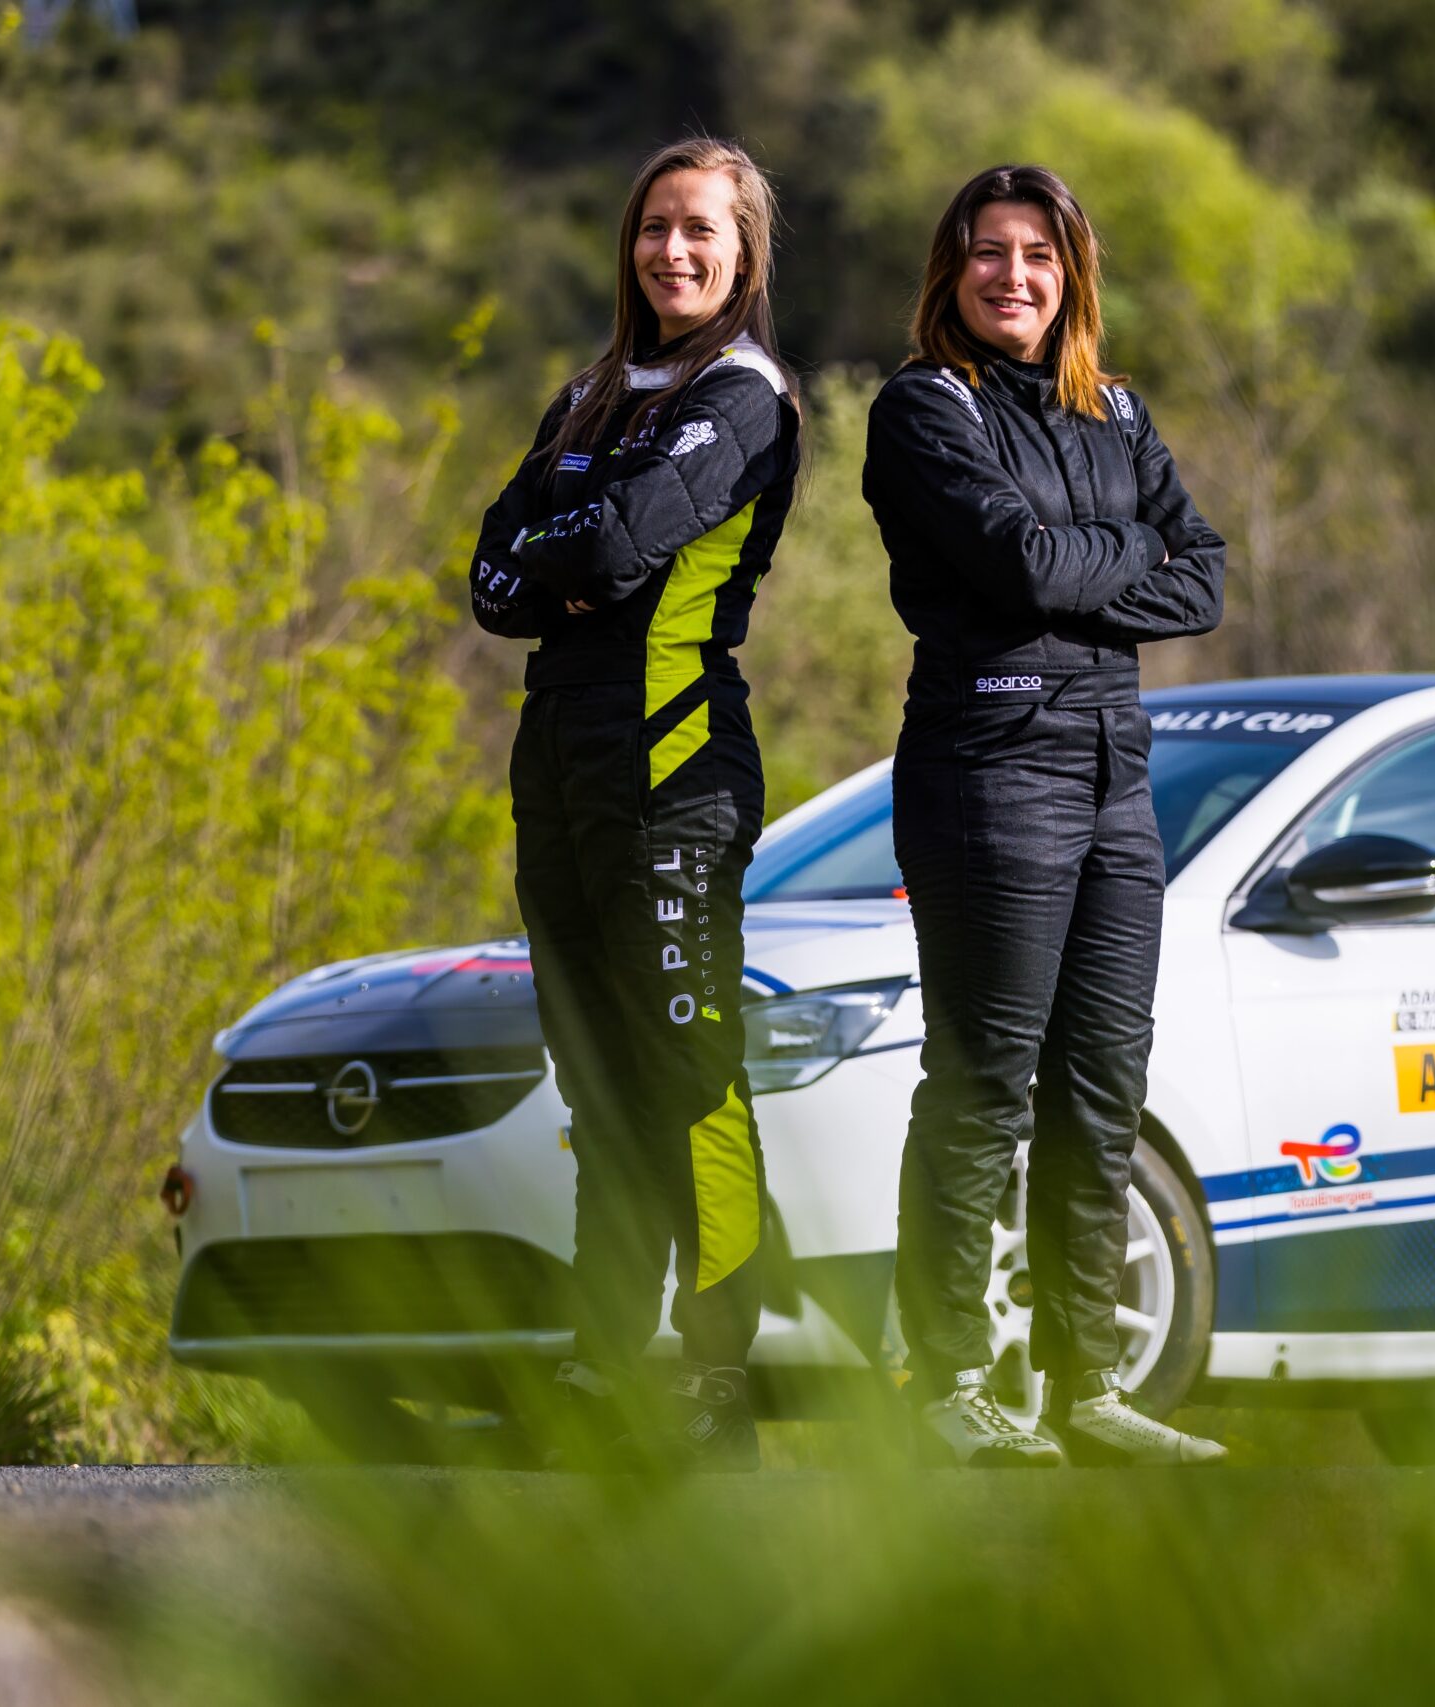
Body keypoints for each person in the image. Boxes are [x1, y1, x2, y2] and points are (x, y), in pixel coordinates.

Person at [864, 164, 1227, 1467]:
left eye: (1037, 254)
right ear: (950, 272)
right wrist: (1120, 555)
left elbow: (1209, 576)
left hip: (1114, 782)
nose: (1012, 275)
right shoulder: (923, 409)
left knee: (1100, 1091)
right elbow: (1019, 561)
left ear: (1072, 273)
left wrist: (1081, 564)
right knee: (983, 1085)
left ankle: (1086, 1391)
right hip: (986, 770)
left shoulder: (1114, 411)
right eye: (987, 252)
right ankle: (948, 1381)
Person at [468, 136, 801, 1470]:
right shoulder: (590, 391)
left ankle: (727, 1377)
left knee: (689, 1072)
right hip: (555, 760)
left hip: (674, 766)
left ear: (744, 250)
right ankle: (608, 1368)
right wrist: (565, 560)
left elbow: (611, 545)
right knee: (598, 1083)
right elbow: (489, 579)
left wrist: (565, 553)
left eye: (701, 230)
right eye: (656, 226)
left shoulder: (748, 389)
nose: (674, 250)